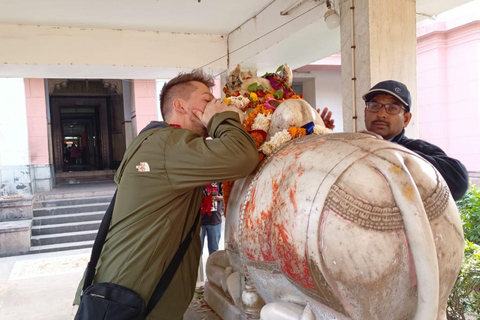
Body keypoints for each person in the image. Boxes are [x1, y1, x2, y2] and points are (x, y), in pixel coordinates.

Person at [73, 69, 259, 319]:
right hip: (133, 300)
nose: (215, 104)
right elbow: (241, 156)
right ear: (180, 105)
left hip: (133, 297)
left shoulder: (165, 143)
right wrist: (221, 118)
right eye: (206, 99)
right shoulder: (166, 145)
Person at [320, 80, 468, 201]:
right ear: (365, 113)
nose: (381, 114)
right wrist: (322, 137)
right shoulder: (353, 146)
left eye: (392, 108)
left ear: (406, 119)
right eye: (375, 106)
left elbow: (458, 182)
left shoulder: (415, 148)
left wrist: (384, 149)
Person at [200, 182, 223, 255]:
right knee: (197, 252)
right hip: (199, 222)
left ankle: (212, 266)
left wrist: (217, 198)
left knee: (214, 252)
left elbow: (227, 195)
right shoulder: (198, 177)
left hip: (215, 220)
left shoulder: (220, 179)